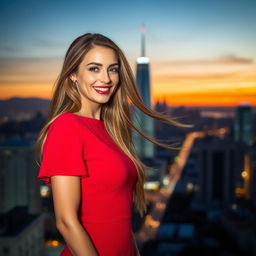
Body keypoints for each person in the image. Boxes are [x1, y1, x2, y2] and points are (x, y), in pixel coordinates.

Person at [35, 33, 190, 256]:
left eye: (113, 69)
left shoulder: (111, 130)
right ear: (73, 75)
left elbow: (121, 223)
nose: (106, 78)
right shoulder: (67, 126)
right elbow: (66, 222)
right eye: (94, 68)